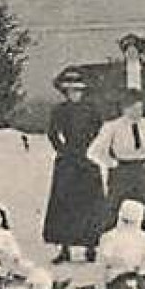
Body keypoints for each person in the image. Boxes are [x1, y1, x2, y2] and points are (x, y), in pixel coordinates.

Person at [43, 70, 105, 265]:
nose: (74, 95)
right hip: (68, 160)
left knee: (89, 204)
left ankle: (90, 246)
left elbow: (98, 129)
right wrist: (62, 149)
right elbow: (53, 133)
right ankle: (65, 247)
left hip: (85, 159)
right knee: (64, 204)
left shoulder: (91, 110)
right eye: (70, 91)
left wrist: (88, 148)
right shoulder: (59, 111)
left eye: (77, 91)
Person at [93, 88, 145, 250]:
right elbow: (94, 152)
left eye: (140, 109)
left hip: (144, 171)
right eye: (133, 109)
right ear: (124, 108)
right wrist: (112, 163)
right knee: (116, 210)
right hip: (122, 173)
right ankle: (112, 250)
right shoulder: (112, 126)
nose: (137, 113)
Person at [96, 198, 145, 289]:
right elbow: (102, 265)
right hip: (116, 281)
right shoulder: (110, 237)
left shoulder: (144, 238)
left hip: (136, 279)